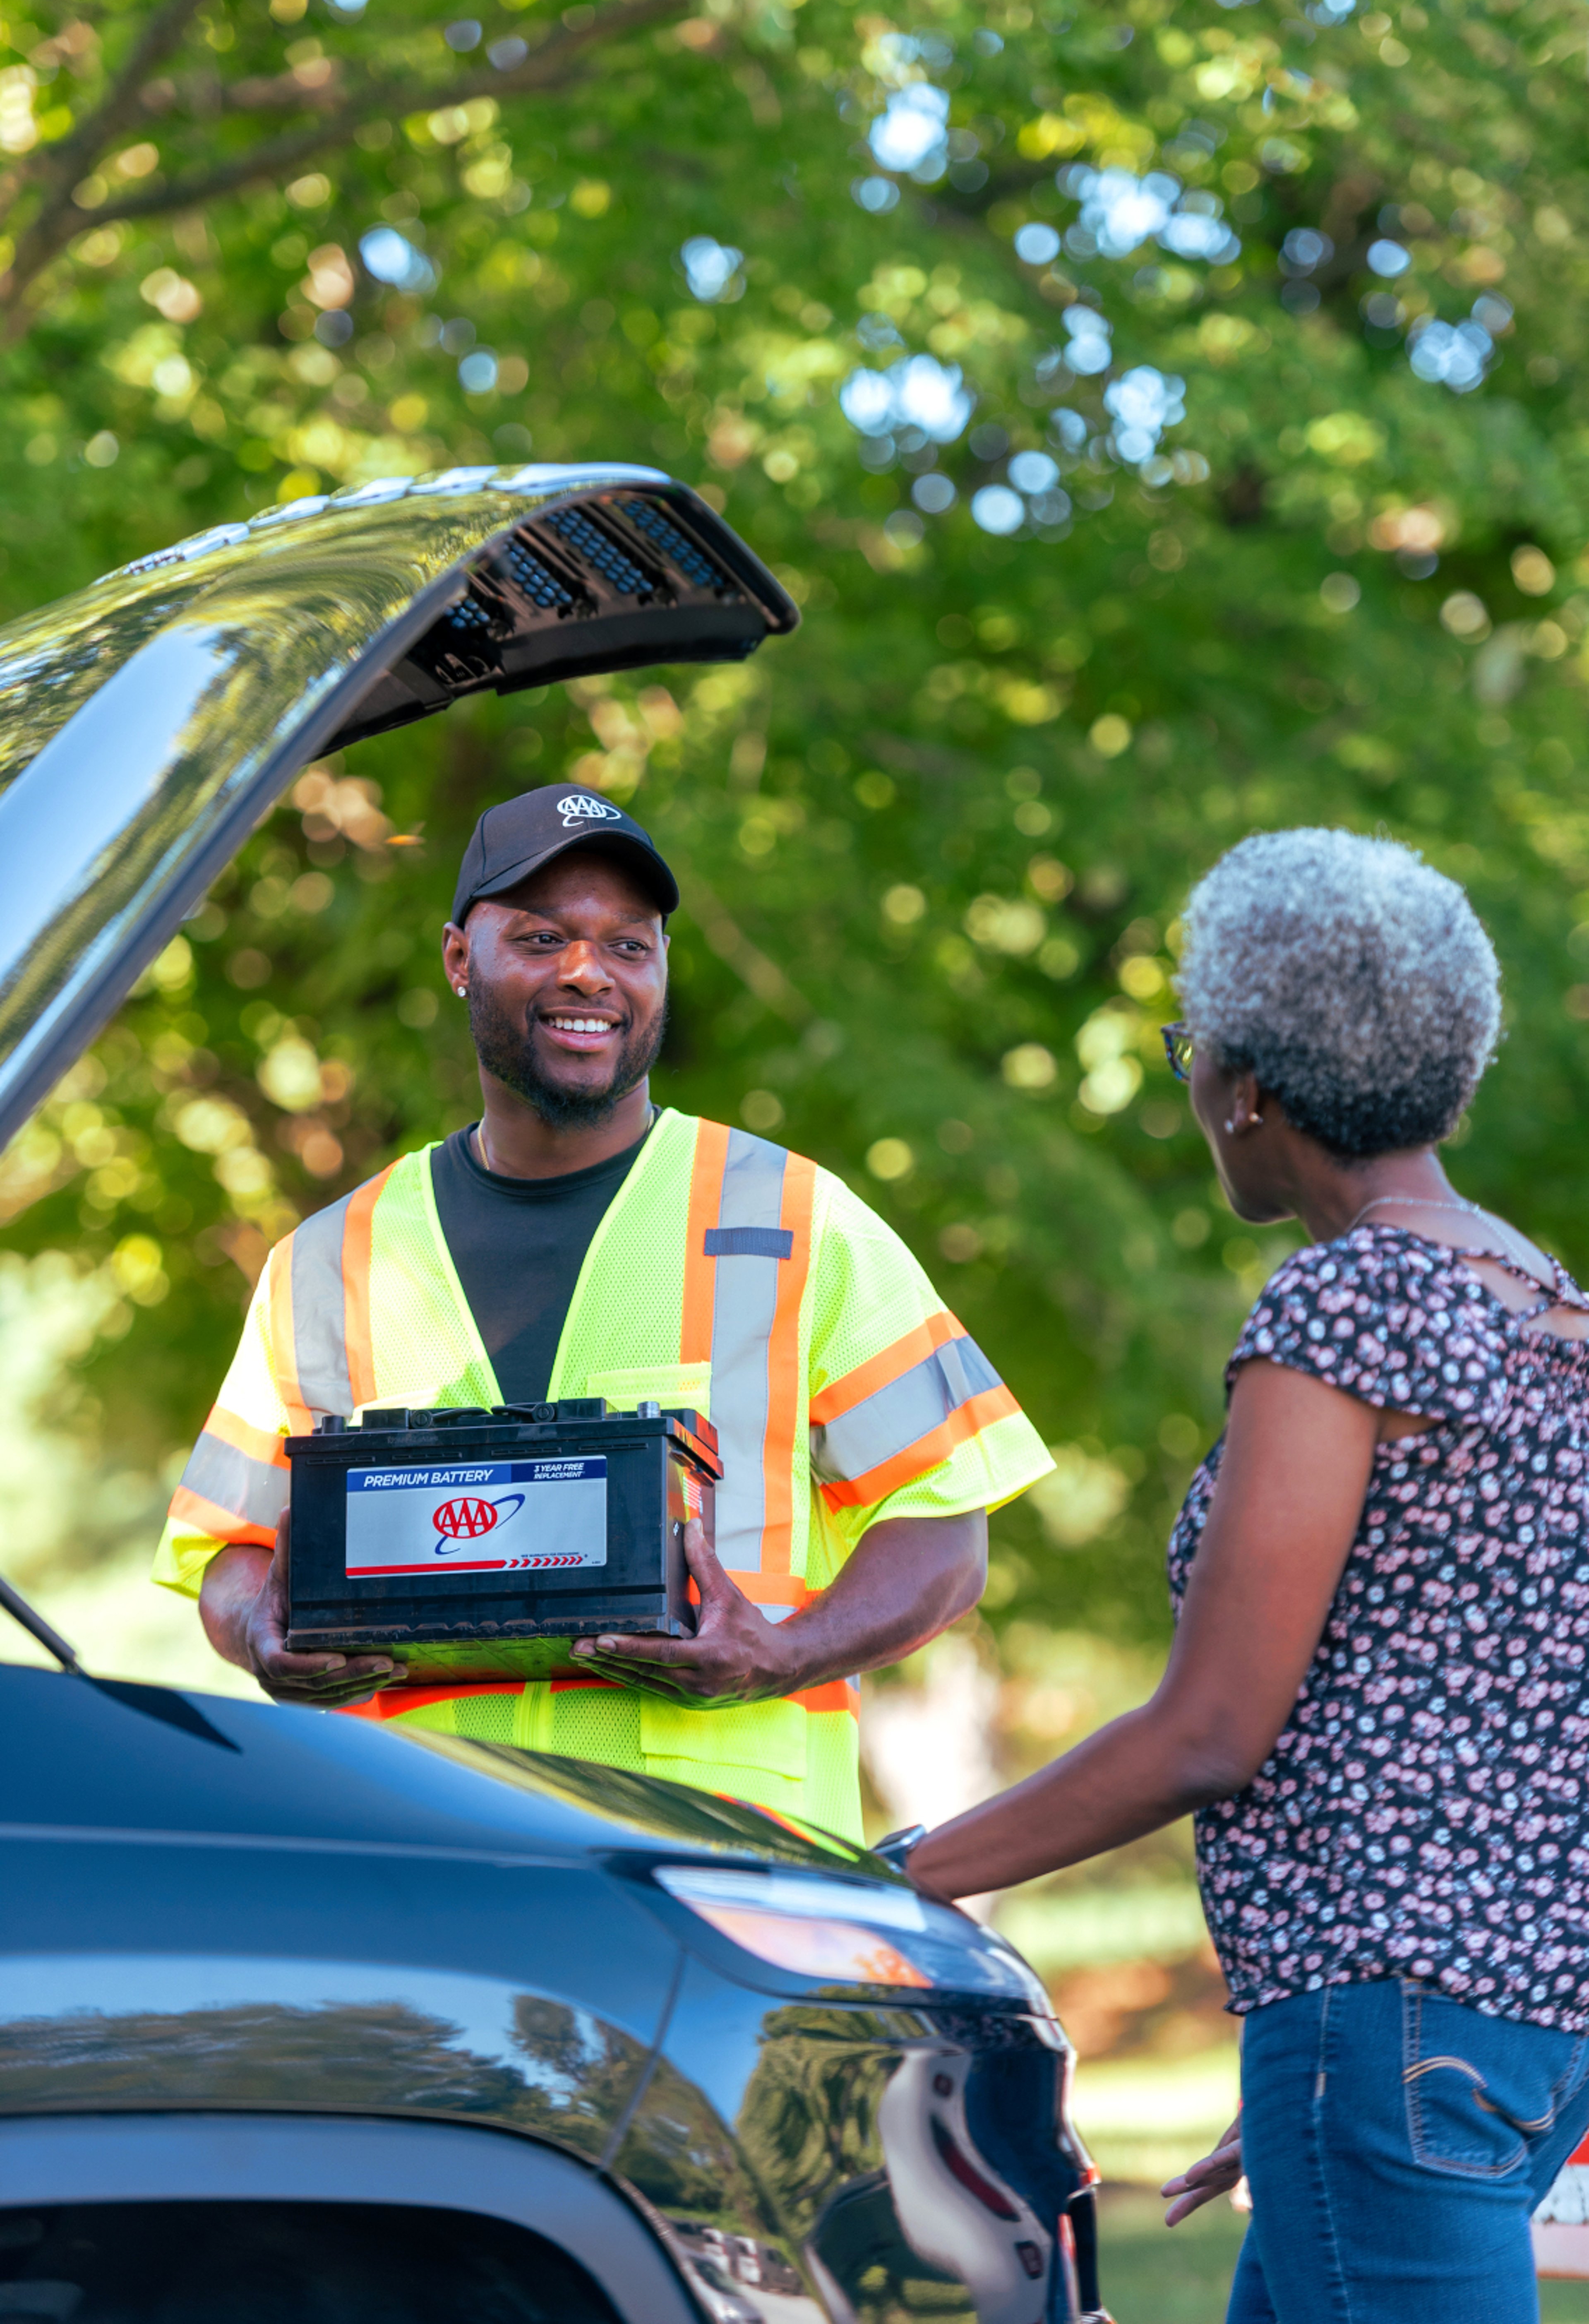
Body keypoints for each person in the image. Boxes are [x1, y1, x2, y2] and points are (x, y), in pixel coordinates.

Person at [906, 827, 1589, 2323]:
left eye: (1186, 1049)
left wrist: (895, 1878)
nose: (1192, 1088)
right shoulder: (1548, 1307)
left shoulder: (1346, 1303)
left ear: (1252, 1084)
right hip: (1509, 2024)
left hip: (1390, 2024)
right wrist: (1327, 2081)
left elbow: (1211, 1728)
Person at [153, 782, 1053, 1842]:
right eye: (542, 937)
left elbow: (946, 1531)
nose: (590, 971)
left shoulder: (796, 1218)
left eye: (630, 945)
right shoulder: (329, 1261)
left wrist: (785, 1650)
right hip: (430, 1864)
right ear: (457, 958)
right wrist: (261, 1632)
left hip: (725, 1872)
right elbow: (232, 1552)